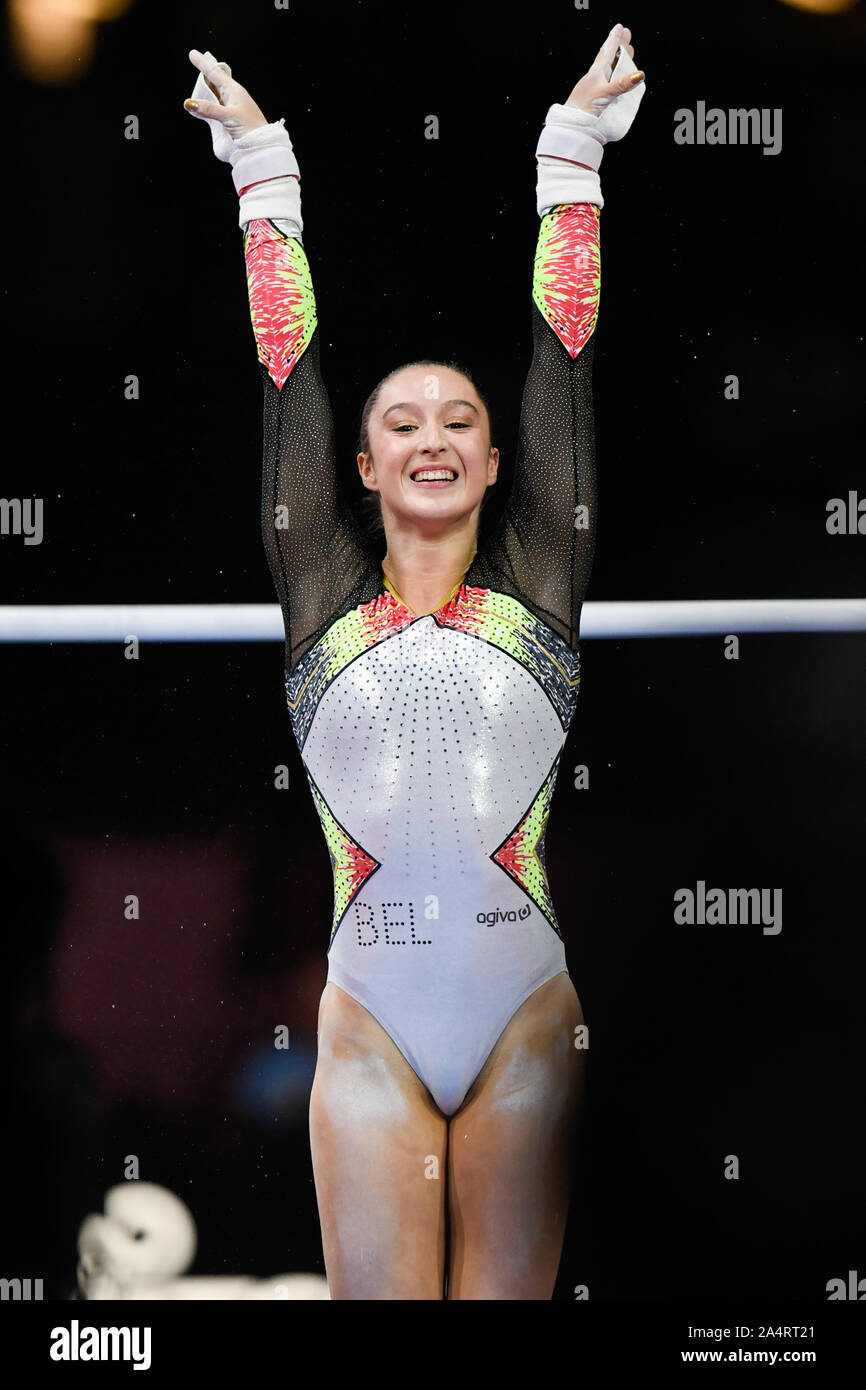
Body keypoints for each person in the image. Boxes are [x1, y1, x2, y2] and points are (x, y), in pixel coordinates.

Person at [183, 23, 645, 1299]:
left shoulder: (540, 584)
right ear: (363, 467)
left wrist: (573, 161)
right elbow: (289, 373)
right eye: (402, 422)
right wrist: (259, 173)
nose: (432, 436)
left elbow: (565, 362)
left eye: (460, 420)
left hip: (524, 1015)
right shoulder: (321, 595)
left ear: (500, 464)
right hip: (371, 1021)